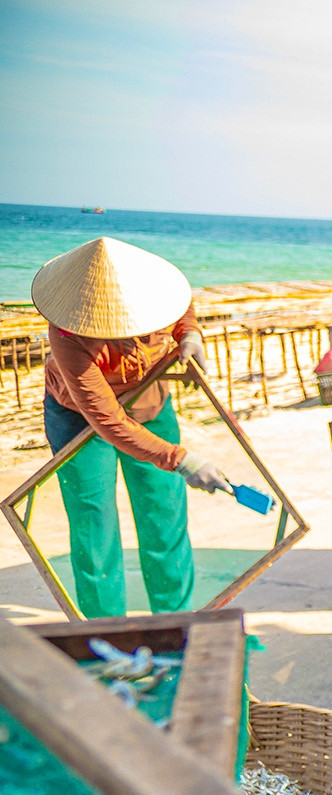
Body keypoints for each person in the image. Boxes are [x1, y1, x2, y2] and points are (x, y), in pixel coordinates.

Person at [33, 237, 231, 618]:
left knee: (163, 512)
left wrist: (189, 333)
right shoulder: (68, 334)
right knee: (93, 523)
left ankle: (174, 620)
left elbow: (182, 306)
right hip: (77, 417)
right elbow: (105, 418)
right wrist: (181, 459)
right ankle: (106, 634)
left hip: (150, 402)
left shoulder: (157, 292)